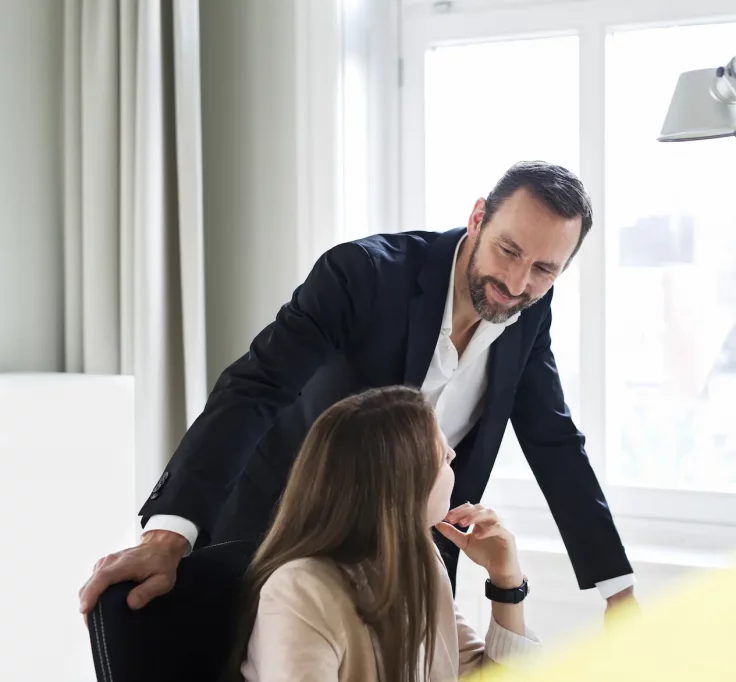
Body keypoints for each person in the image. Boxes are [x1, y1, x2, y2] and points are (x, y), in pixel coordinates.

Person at [79, 160, 636, 618]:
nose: (517, 284)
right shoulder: (363, 275)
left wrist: (619, 593)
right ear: (476, 219)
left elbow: (554, 440)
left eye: (544, 269)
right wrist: (170, 534)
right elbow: (255, 389)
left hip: (405, 563)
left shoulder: (529, 310)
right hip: (281, 537)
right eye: (508, 252)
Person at [228, 386, 539, 681]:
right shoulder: (300, 590)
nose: (453, 457)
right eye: (442, 456)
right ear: (402, 486)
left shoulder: (421, 561)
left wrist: (506, 583)